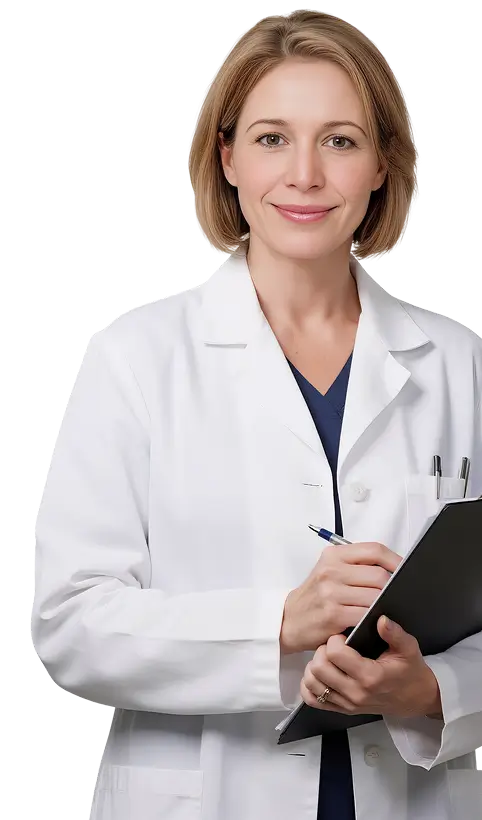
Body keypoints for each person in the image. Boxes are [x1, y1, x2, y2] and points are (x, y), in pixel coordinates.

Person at [32, 10, 481, 820]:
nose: (305, 174)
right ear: (227, 156)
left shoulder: (459, 362)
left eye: (340, 141)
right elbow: (70, 628)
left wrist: (437, 690)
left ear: (382, 163)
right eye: (273, 138)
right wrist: (280, 623)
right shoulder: (131, 358)